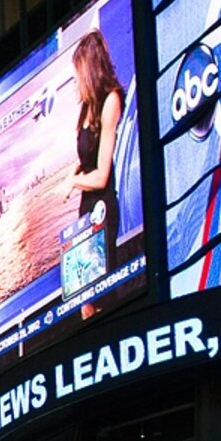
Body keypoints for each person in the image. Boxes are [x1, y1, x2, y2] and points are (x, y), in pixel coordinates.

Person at [67, 27, 128, 275]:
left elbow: (102, 174)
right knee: (84, 300)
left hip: (102, 207)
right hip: (86, 208)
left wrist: (73, 181)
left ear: (88, 73)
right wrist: (73, 173)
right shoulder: (85, 109)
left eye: (76, 78)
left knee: (97, 293)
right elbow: (85, 158)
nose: (74, 84)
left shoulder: (110, 101)